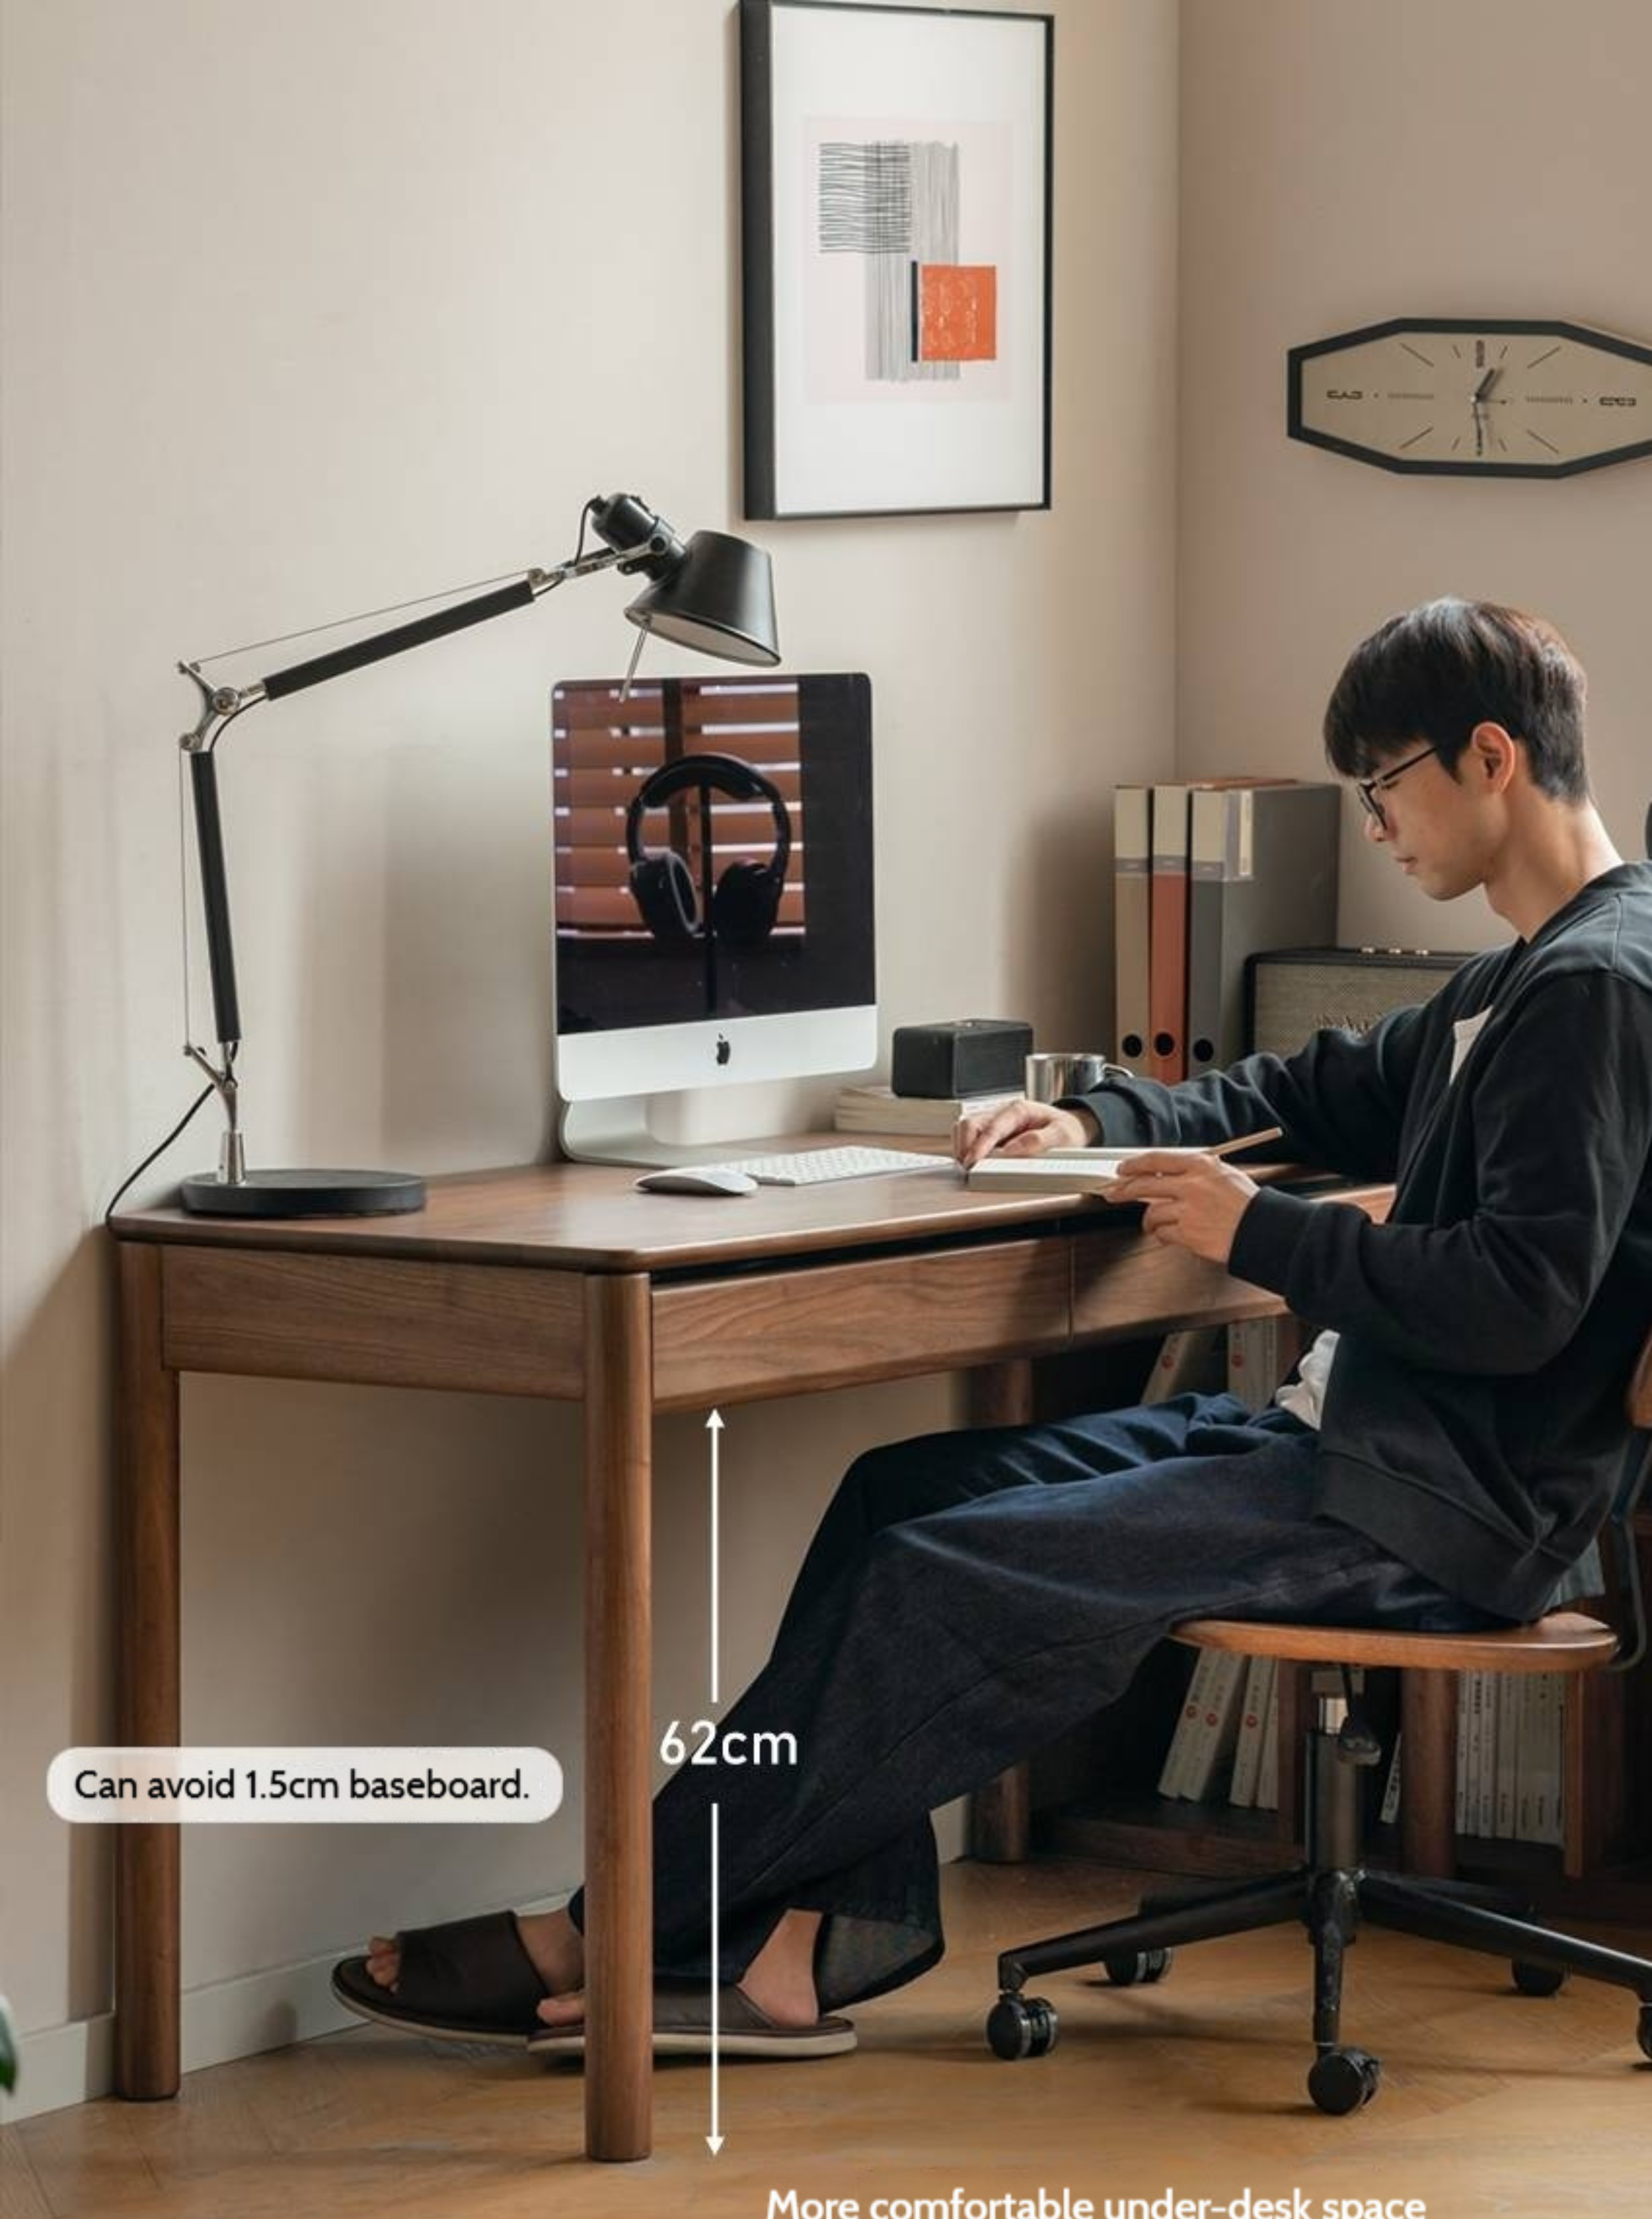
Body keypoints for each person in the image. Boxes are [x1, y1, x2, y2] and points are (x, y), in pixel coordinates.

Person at [334, 598, 1652, 2060]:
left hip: (1433, 1501)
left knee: (932, 1576)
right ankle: (806, 1952)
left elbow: (1522, 1302)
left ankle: (611, 1928)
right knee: (901, 1491)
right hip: (1350, 1438)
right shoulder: (1521, 975)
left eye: (1383, 788)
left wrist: (1260, 1235)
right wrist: (1097, 1114)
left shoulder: (1593, 989)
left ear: (1487, 759)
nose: (1379, 828)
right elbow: (1317, 1084)